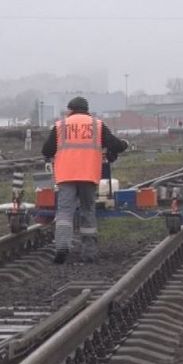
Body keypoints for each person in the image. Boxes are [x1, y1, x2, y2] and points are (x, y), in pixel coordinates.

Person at [42, 96, 128, 264]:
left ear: (70, 109)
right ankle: (88, 253)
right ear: (87, 109)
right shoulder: (97, 125)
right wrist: (124, 144)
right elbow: (115, 145)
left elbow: (46, 150)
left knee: (65, 212)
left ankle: (62, 246)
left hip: (66, 176)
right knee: (88, 211)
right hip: (88, 175)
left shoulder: (61, 126)